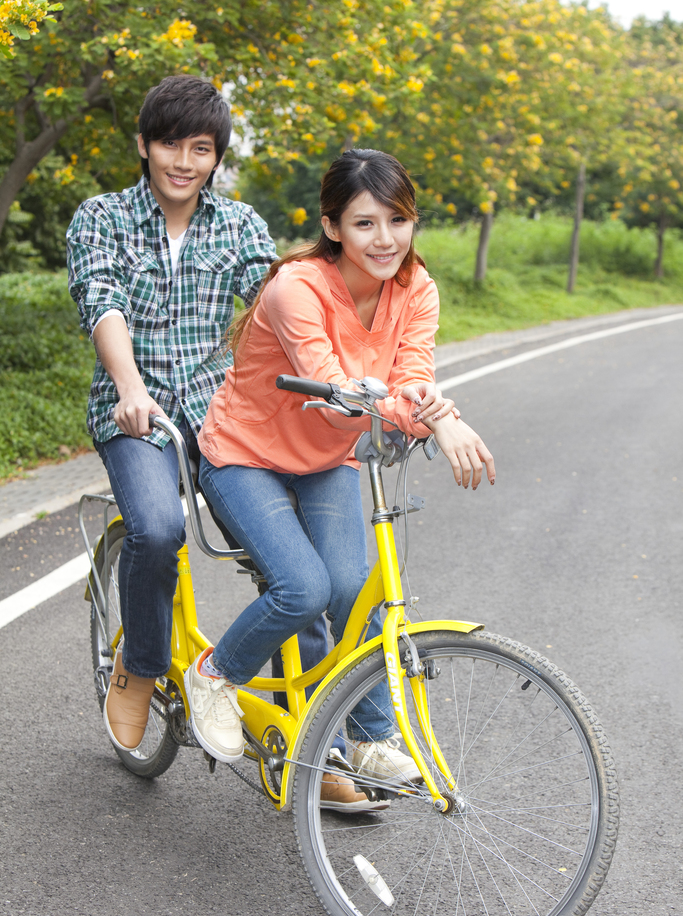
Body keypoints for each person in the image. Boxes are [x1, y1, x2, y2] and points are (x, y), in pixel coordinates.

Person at [187, 149, 496, 812]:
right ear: (332, 227)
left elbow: (413, 373)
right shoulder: (295, 286)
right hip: (245, 455)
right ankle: (215, 675)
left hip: (326, 460)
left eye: (397, 219)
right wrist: (432, 418)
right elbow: (333, 392)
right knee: (302, 588)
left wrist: (434, 411)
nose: (384, 239)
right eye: (364, 224)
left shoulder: (416, 289)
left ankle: (367, 739)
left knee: (354, 591)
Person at [66, 76, 327, 769]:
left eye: (201, 149)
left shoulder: (239, 225)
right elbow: (102, 302)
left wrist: (324, 374)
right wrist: (129, 387)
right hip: (137, 412)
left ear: (216, 158)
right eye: (171, 145)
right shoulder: (102, 218)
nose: (184, 162)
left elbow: (273, 304)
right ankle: (141, 665)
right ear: (144, 145)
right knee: (157, 529)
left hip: (224, 417)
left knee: (291, 559)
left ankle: (310, 735)